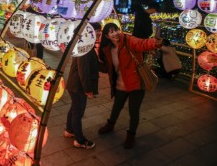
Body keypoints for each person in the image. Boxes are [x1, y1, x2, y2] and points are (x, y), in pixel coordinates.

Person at [98, 23, 162, 149]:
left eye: (116, 29)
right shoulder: (107, 49)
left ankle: (131, 135)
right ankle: (110, 125)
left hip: (136, 82)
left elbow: (142, 43)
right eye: (111, 31)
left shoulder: (128, 40)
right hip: (120, 84)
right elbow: (108, 68)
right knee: (116, 107)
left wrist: (155, 42)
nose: (115, 33)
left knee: (134, 111)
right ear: (106, 35)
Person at [64, 22, 102, 150]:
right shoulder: (85, 47)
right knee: (78, 112)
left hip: (74, 84)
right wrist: (87, 89)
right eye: (95, 30)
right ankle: (80, 140)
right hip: (78, 86)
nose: (98, 33)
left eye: (99, 30)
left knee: (75, 108)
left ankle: (69, 130)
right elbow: (83, 70)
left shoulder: (86, 44)